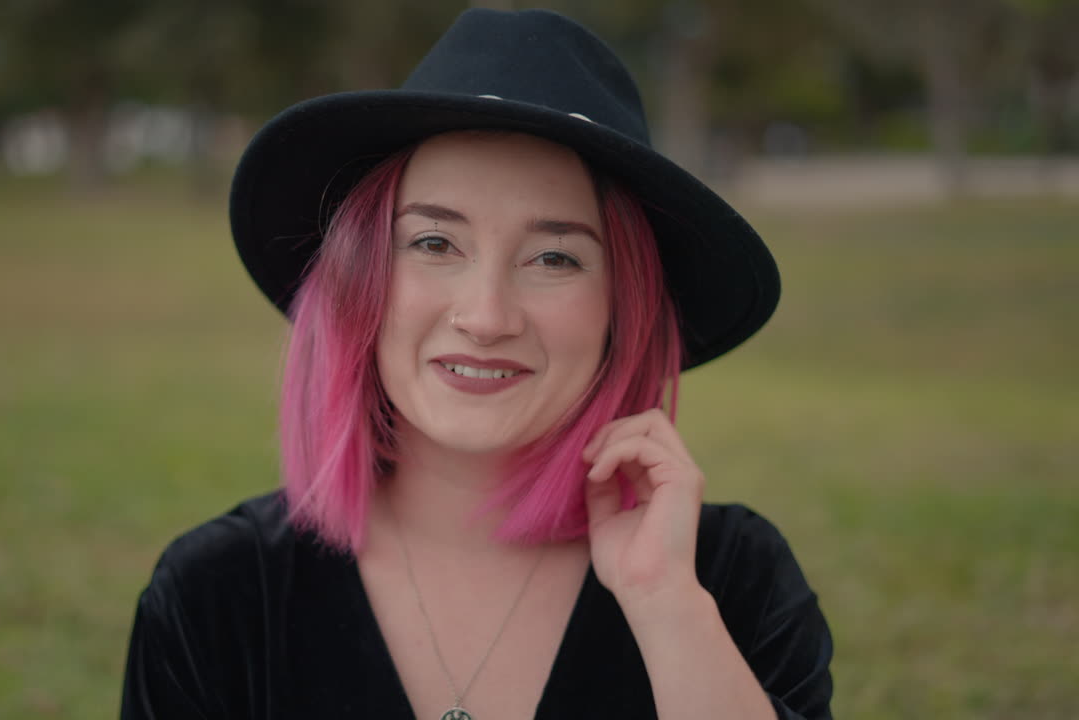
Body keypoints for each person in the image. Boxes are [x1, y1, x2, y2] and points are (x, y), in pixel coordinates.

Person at [121, 9, 832, 720]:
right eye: (434, 243)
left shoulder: (729, 580)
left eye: (555, 257)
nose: (487, 316)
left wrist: (666, 606)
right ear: (356, 276)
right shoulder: (216, 596)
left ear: (625, 306)